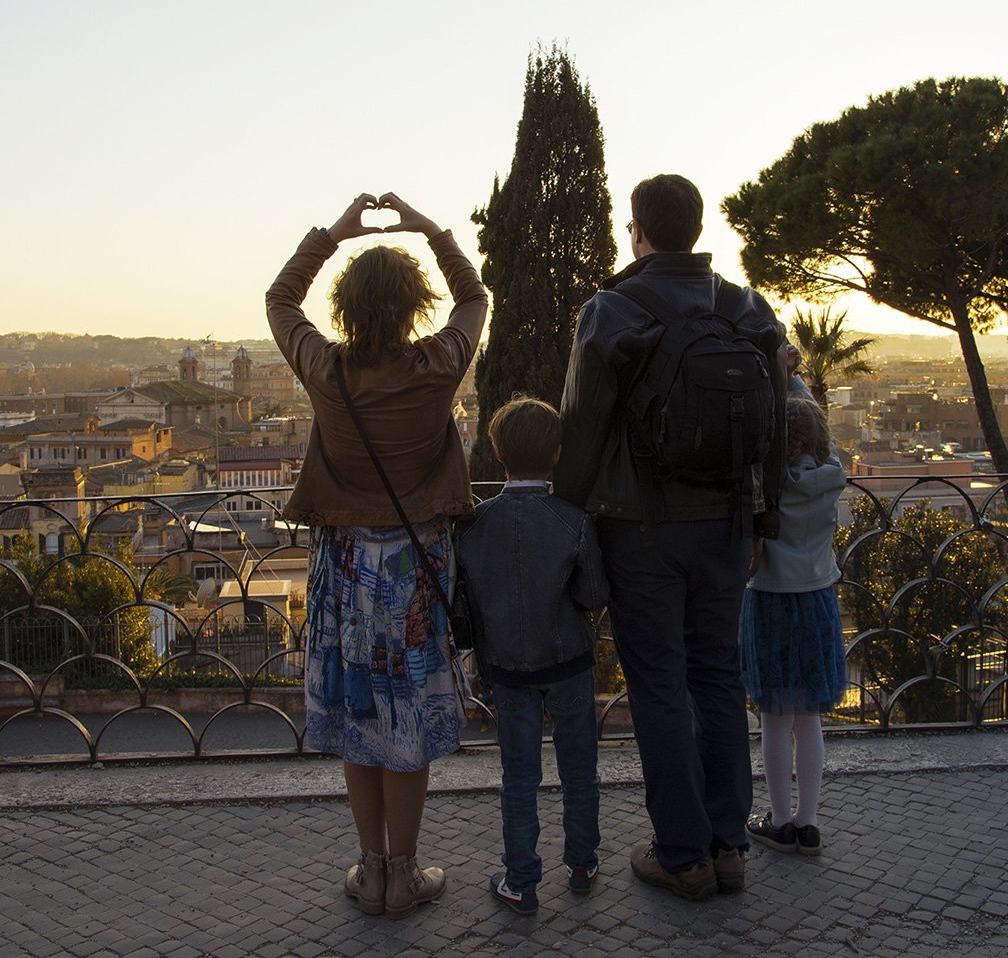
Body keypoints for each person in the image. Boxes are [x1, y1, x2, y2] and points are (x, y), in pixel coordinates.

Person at [552, 173, 788, 900]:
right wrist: (762, 523)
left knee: (658, 684)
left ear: (640, 231)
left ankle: (681, 854)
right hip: (726, 526)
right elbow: (773, 431)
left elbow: (582, 433)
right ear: (698, 227)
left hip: (641, 531)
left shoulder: (612, 312)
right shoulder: (748, 310)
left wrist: (564, 524)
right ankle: (727, 847)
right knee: (719, 677)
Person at [265, 192, 488, 919]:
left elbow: (280, 297)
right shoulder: (437, 367)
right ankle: (405, 872)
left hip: (347, 574)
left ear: (349, 307)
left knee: (361, 722)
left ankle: (370, 871)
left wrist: (333, 234)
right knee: (408, 723)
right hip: (415, 575)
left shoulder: (325, 371)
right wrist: (430, 231)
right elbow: (475, 295)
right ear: (414, 304)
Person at [454, 396, 609, 914]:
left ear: (498, 456)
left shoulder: (474, 525)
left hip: (507, 668)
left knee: (518, 776)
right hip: (568, 661)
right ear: (558, 453)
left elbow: (467, 600)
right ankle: (583, 863)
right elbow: (592, 595)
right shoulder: (574, 522)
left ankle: (520, 880)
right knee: (579, 767)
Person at [741, 376, 848, 857]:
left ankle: (779, 820)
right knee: (809, 721)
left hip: (770, 599)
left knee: (775, 720)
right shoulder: (834, 476)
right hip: (818, 598)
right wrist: (797, 378)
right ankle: (809, 823)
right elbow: (810, 418)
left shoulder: (767, 485)